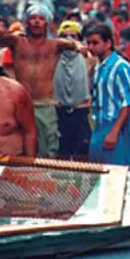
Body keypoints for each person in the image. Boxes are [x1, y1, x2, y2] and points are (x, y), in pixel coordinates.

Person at [0, 4, 83, 158]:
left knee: (49, 146)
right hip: (21, 102)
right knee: (22, 145)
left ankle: (47, 179)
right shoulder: (18, 42)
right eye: (33, 18)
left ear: (47, 23)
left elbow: (76, 45)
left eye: (41, 19)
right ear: (26, 22)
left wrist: (79, 47)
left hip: (45, 103)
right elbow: (2, 37)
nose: (36, 22)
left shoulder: (55, 44)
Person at [86, 22, 130, 168]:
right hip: (99, 126)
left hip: (117, 126)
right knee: (98, 173)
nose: (91, 47)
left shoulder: (120, 67)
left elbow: (128, 103)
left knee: (118, 173)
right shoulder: (98, 68)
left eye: (95, 43)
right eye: (89, 43)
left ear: (108, 43)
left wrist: (114, 131)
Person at [54, 20, 94, 159]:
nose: (70, 40)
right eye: (65, 36)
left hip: (81, 111)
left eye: (73, 36)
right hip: (59, 112)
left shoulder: (89, 58)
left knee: (81, 155)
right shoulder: (52, 58)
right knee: (61, 155)